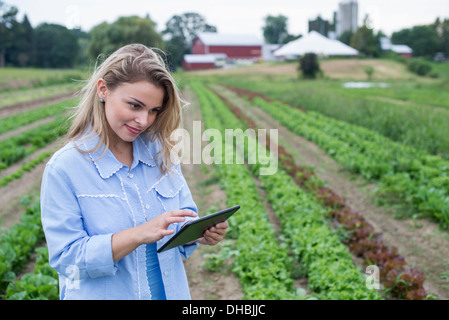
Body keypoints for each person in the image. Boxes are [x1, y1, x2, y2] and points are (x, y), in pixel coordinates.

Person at [40, 44, 228, 300]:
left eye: (154, 110)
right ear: (103, 89)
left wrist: (197, 233)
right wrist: (137, 235)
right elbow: (67, 259)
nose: (144, 121)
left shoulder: (161, 155)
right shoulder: (65, 169)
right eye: (134, 106)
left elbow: (181, 218)